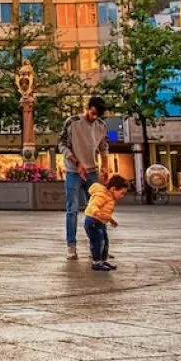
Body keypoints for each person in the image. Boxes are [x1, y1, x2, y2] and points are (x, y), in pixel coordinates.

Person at [58, 96, 108, 260]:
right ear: (87, 107)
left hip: (92, 171)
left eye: (97, 115)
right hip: (73, 171)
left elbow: (103, 147)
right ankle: (71, 246)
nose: (94, 117)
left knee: (96, 208)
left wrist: (105, 166)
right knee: (72, 209)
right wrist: (76, 162)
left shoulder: (101, 125)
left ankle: (98, 246)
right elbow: (61, 144)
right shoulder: (72, 122)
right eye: (92, 113)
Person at [85, 174, 129, 271]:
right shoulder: (102, 195)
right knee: (98, 242)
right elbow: (93, 206)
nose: (122, 196)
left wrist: (111, 220)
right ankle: (96, 262)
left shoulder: (110, 197)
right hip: (93, 221)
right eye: (122, 193)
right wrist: (97, 213)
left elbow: (106, 212)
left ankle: (103, 261)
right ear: (113, 189)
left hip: (100, 222)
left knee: (105, 242)